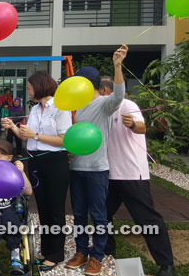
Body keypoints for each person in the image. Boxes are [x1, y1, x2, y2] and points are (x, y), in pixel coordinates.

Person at [99, 77, 176, 276]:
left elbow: (141, 127)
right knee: (102, 214)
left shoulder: (128, 105)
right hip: (110, 174)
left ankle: (166, 264)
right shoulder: (104, 111)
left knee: (146, 219)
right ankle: (108, 251)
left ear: (106, 90)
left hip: (132, 174)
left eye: (97, 93)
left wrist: (133, 124)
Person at [64, 45, 128, 275]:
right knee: (79, 214)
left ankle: (97, 256)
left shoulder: (104, 103)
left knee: (99, 215)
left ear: (86, 84)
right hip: (77, 168)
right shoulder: (78, 108)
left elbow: (119, 95)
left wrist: (117, 65)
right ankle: (81, 251)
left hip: (97, 170)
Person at [1, 71, 72, 271]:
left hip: (54, 162)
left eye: (31, 87)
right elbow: (27, 137)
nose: (29, 91)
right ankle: (47, 250)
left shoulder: (60, 108)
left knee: (56, 209)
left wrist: (36, 135)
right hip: (35, 161)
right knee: (42, 208)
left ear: (40, 86)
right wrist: (13, 128)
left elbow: (64, 140)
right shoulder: (35, 110)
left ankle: (56, 254)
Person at [0, 139, 32, 275]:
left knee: (12, 220)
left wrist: (21, 173)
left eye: (2, 153)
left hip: (8, 206)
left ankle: (16, 256)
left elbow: (28, 192)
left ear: (9, 158)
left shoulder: (13, 172)